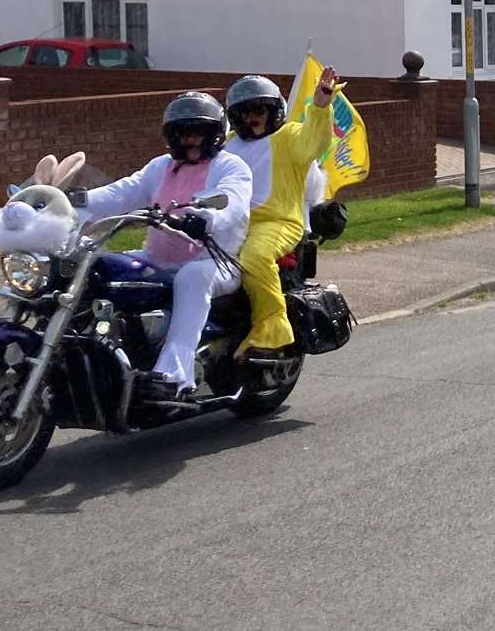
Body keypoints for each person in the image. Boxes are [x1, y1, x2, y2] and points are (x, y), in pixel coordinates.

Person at [77, 93, 252, 400]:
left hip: (214, 261)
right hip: (157, 257)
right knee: (100, 268)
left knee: (192, 278)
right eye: (182, 133)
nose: (190, 140)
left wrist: (206, 218)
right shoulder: (161, 166)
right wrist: (75, 203)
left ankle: (175, 374)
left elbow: (233, 201)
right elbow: (123, 192)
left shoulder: (231, 166)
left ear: (215, 134)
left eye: (197, 132)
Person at [224, 68, 343, 359]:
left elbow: (314, 142)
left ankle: (273, 325)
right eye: (245, 112)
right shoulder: (228, 143)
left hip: (279, 221)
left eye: (259, 111)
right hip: (229, 222)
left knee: (254, 257)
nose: (252, 118)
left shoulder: (288, 136)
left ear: (273, 111)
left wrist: (320, 106)